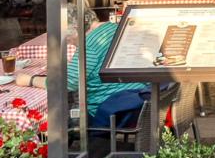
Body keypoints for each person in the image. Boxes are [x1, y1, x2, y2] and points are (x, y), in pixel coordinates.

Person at [11, 20, 150, 146]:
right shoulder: (112, 27)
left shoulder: (88, 44)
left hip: (109, 109)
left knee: (53, 124)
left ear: (76, 28)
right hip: (134, 98)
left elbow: (68, 83)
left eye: (67, 37)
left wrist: (29, 80)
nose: (67, 42)